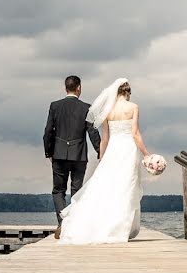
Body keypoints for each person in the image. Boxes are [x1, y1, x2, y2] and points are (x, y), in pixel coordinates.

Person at [58, 78, 150, 245]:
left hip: (112, 151)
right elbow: (135, 134)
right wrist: (147, 154)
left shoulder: (108, 110)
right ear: (127, 92)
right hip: (128, 149)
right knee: (126, 187)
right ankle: (121, 227)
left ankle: (103, 224)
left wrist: (102, 158)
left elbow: (105, 139)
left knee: (109, 186)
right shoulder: (133, 107)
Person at [43, 75, 101, 239]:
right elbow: (93, 132)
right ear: (79, 88)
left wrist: (49, 152)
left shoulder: (55, 106)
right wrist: (100, 151)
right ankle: (74, 224)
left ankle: (62, 223)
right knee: (77, 191)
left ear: (65, 88)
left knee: (58, 190)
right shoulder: (86, 108)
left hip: (59, 154)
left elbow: (48, 131)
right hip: (79, 155)